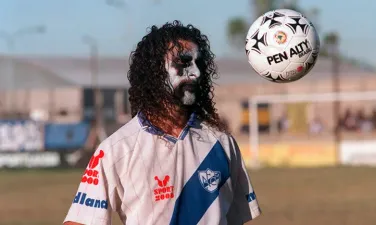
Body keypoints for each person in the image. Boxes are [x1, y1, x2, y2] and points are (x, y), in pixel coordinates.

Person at [63, 20, 261, 225]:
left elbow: (237, 219)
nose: (196, 73)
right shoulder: (116, 149)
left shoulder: (222, 143)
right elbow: (80, 220)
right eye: (183, 62)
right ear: (154, 71)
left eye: (198, 63)